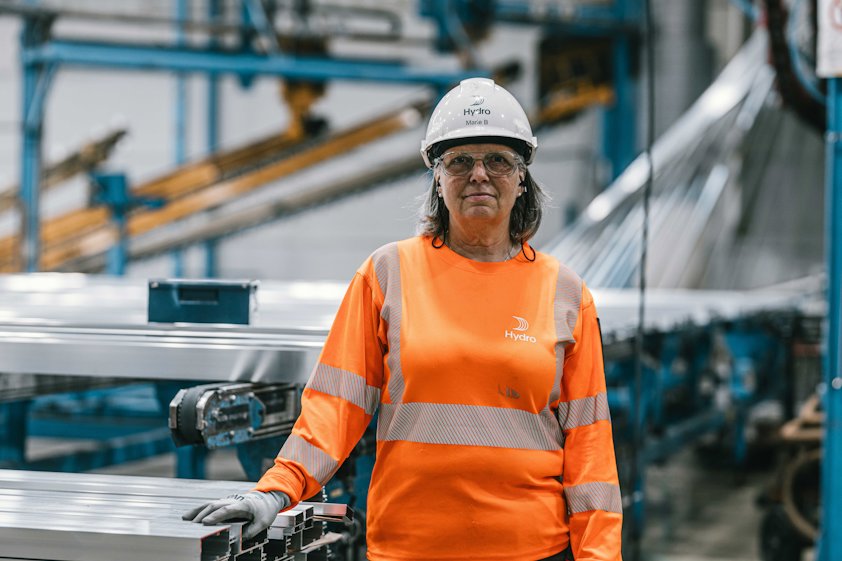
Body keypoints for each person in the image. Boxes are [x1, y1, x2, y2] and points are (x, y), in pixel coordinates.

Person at [184, 77, 623, 561]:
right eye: (459, 161)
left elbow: (591, 451)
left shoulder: (565, 292)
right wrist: (274, 491)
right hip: (409, 549)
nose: (479, 174)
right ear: (437, 176)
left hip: (532, 549)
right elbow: (335, 407)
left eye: (497, 159)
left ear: (522, 178)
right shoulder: (387, 274)